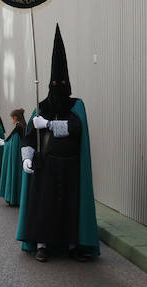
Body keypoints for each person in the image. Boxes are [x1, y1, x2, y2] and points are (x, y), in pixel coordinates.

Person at [17, 25, 99, 263]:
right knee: (45, 207)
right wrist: (27, 157)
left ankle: (73, 245)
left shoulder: (76, 106)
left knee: (71, 207)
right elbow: (30, 136)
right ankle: (42, 244)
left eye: (62, 83)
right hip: (47, 166)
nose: (58, 88)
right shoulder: (41, 107)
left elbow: (76, 128)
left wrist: (51, 126)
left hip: (71, 166)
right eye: (55, 84)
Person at [0, 108, 26, 206]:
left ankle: (13, 198)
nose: (11, 120)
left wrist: (5, 144)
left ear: (15, 118)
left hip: (16, 157)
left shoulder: (18, 128)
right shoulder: (23, 126)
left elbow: (13, 144)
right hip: (22, 155)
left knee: (14, 173)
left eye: (11, 118)